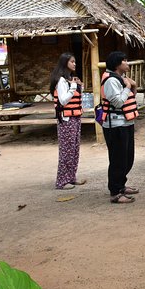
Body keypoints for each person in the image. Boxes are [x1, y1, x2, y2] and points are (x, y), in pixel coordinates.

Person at [101, 51, 139, 204]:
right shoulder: (111, 81)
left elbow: (131, 97)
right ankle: (115, 192)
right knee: (118, 159)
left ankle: (121, 185)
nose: (127, 63)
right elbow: (118, 102)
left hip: (126, 123)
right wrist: (127, 87)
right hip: (115, 125)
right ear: (117, 64)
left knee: (127, 158)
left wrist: (131, 86)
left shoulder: (121, 78)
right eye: (125, 61)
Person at [49, 52, 86, 190]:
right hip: (66, 119)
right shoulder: (61, 81)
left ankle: (71, 177)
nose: (74, 64)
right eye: (72, 62)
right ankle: (62, 182)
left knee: (74, 150)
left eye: (75, 62)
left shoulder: (70, 79)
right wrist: (73, 87)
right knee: (66, 151)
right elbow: (63, 100)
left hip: (75, 118)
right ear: (65, 63)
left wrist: (77, 86)